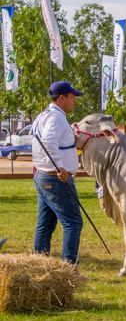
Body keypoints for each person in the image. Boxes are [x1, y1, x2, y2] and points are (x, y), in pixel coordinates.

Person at [31, 81, 84, 268]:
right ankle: (68, 268)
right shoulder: (56, 118)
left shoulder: (45, 116)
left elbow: (48, 140)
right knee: (73, 222)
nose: (74, 101)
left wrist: (71, 135)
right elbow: (48, 141)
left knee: (45, 224)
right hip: (55, 178)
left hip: (42, 175)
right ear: (61, 98)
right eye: (72, 97)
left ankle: (39, 265)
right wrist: (60, 167)